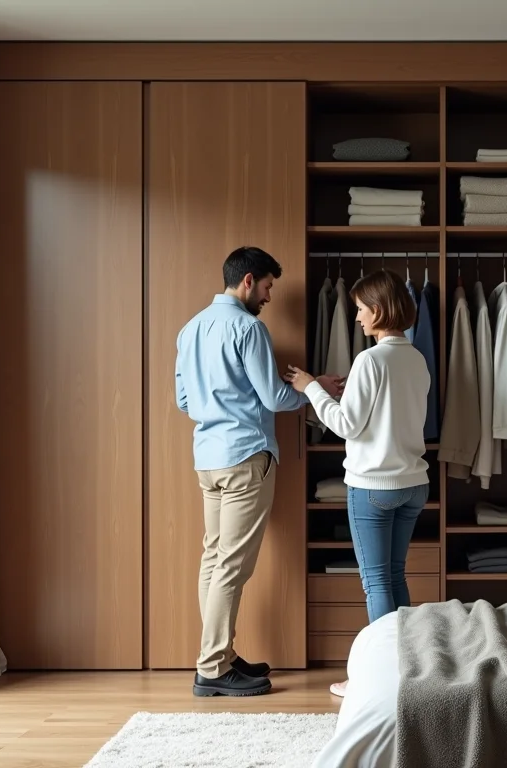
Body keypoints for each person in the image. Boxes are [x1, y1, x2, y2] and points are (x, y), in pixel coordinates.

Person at [177, 246, 343, 697]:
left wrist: (218, 410)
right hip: (246, 455)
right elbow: (274, 397)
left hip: (208, 458)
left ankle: (221, 656)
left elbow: (185, 402)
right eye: (268, 286)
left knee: (214, 558)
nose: (270, 296)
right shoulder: (249, 329)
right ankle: (212, 667)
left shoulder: (190, 329)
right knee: (231, 564)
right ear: (248, 280)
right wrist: (314, 390)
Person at [285, 269, 430, 698]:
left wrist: (312, 387)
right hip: (413, 484)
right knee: (395, 576)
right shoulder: (416, 358)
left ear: (379, 310)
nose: (357, 319)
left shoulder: (370, 360)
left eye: (361, 310)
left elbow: (347, 425)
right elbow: (390, 411)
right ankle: (404, 668)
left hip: (374, 486)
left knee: (376, 583)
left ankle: (376, 678)